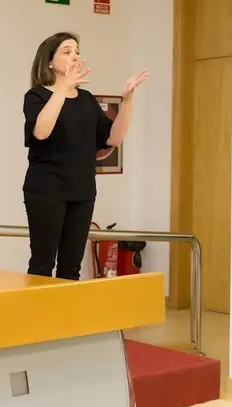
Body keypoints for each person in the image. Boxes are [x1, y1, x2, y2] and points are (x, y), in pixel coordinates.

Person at [22, 32, 149, 280]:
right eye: (66, 51)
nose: (74, 56)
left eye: (76, 51)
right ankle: (38, 317)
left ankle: (66, 318)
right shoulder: (37, 96)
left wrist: (128, 100)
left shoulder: (86, 100)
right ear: (49, 61)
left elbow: (113, 138)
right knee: (42, 264)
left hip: (81, 191)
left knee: (71, 267)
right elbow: (41, 131)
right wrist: (63, 89)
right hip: (46, 189)